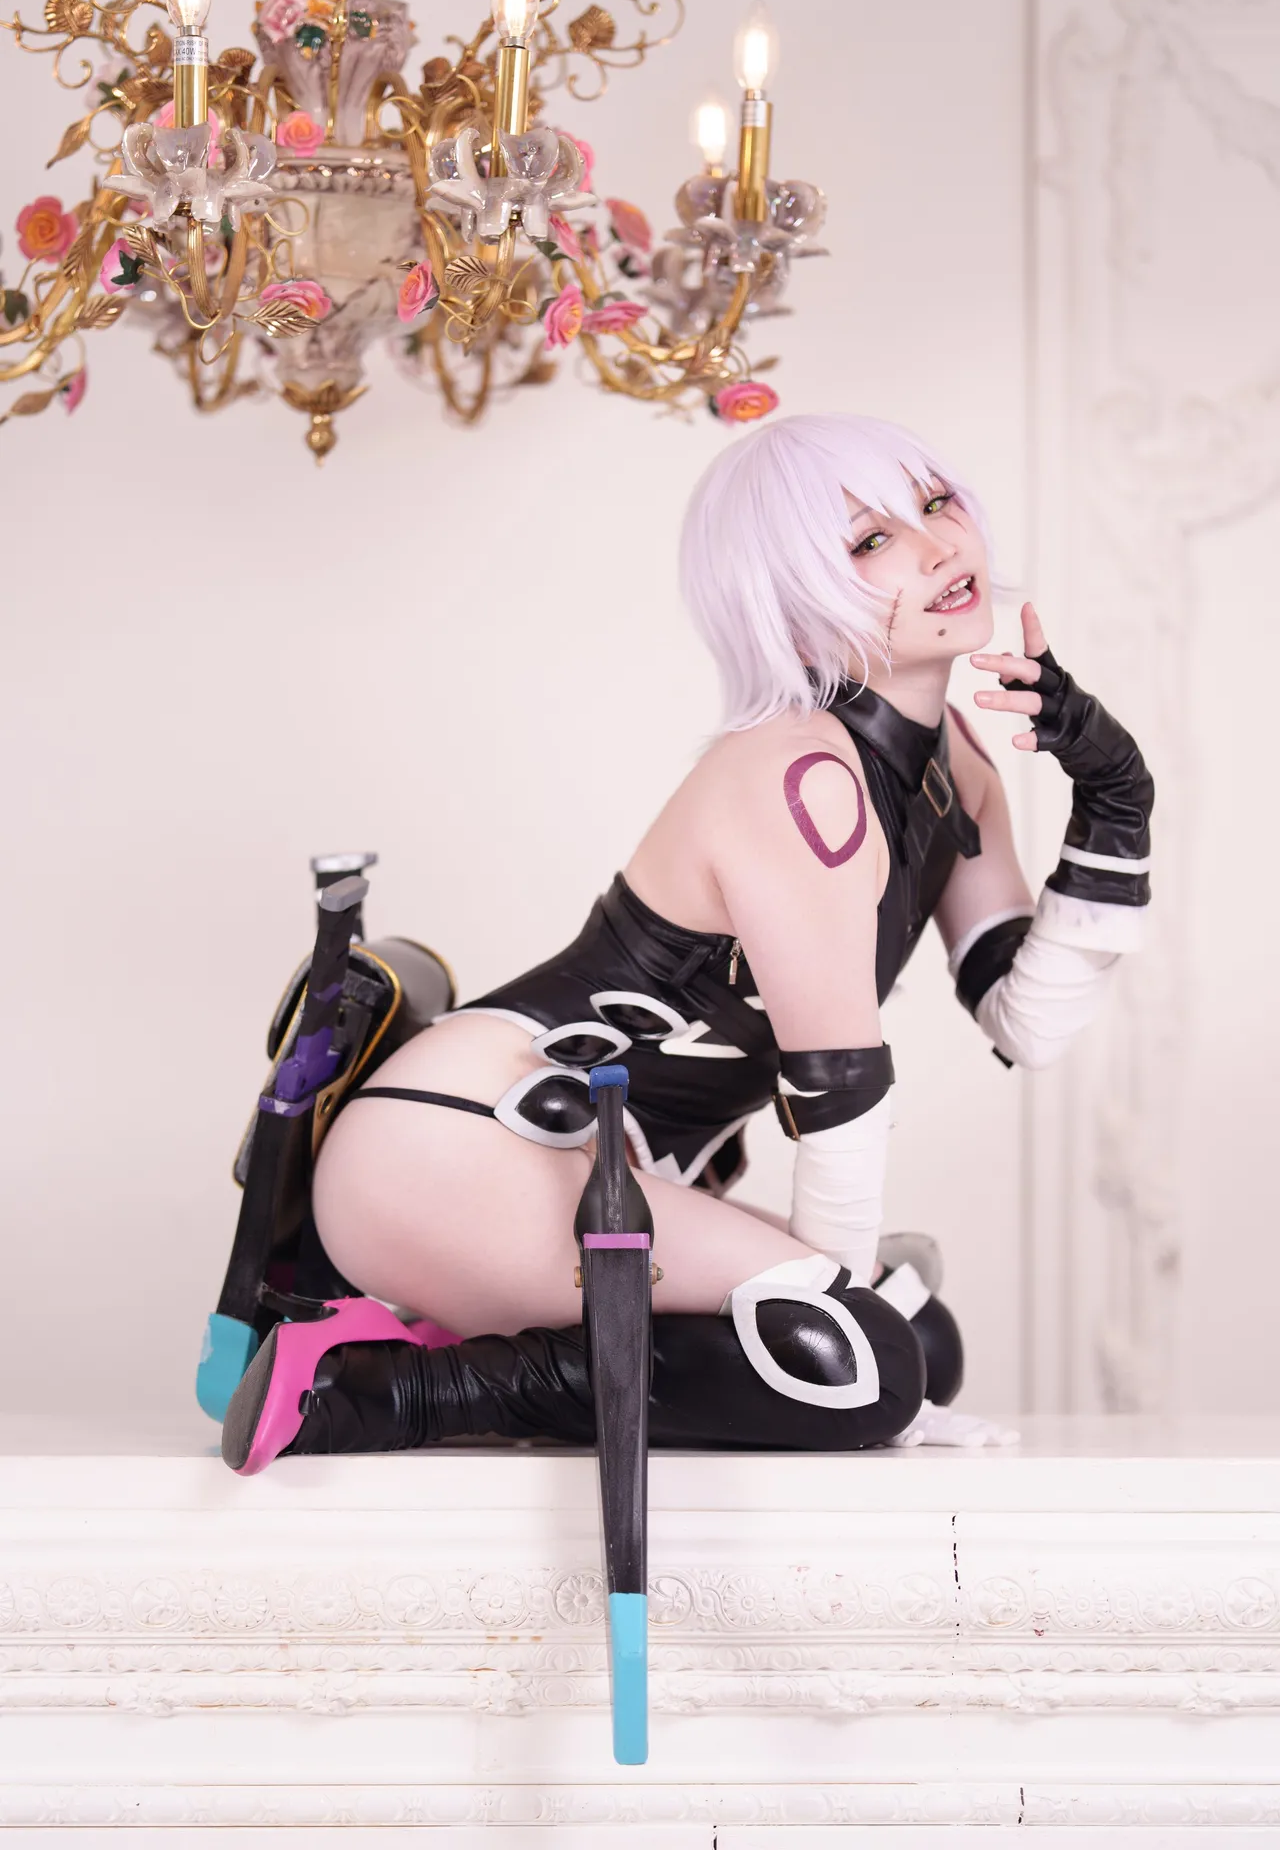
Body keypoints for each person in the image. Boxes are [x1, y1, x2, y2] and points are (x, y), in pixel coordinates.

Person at [220, 413, 1152, 1474]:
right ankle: (371, 1391)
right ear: (787, 603)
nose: (939, 546)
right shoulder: (802, 775)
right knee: (860, 1365)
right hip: (456, 1151)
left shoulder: (953, 763)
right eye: (870, 540)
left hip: (597, 1167)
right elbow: (838, 1098)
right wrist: (847, 1328)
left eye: (935, 504)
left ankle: (453, 1347)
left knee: (914, 1351)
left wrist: (1115, 795)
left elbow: (1026, 1020)